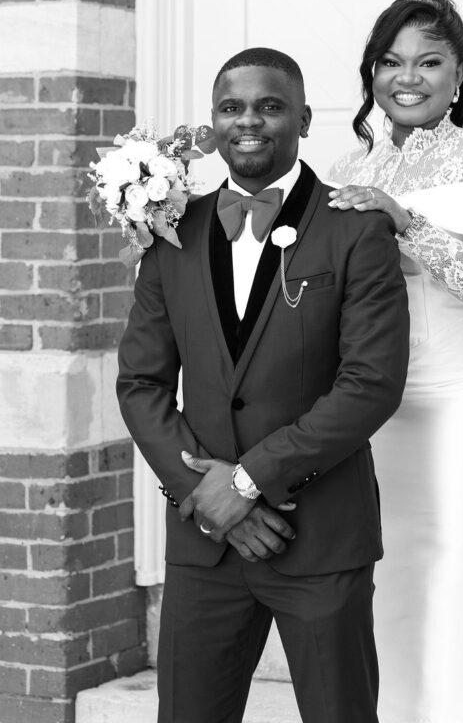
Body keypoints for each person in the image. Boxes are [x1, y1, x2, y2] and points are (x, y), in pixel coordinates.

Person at [117, 48, 410, 723]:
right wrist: (204, 494)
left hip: (319, 539)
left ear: (304, 118)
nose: (248, 122)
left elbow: (370, 384)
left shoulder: (354, 229)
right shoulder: (171, 230)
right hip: (205, 544)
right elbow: (140, 382)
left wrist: (245, 483)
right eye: (231, 108)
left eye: (269, 106)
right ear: (214, 124)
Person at [329, 0, 463, 723]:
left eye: (427, 61)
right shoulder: (351, 162)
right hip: (376, 396)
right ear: (371, 71)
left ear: (458, 73)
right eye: (389, 61)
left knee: (460, 570)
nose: (405, 77)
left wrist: (404, 222)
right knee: (390, 568)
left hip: (462, 391)